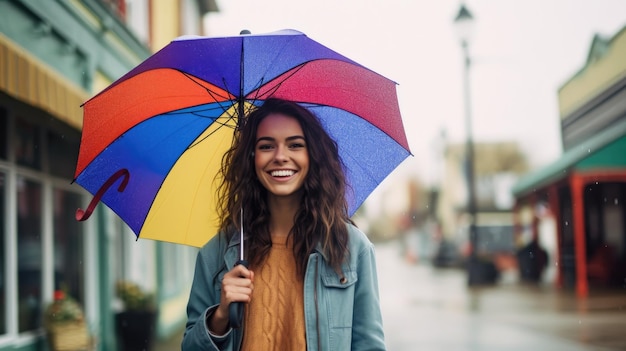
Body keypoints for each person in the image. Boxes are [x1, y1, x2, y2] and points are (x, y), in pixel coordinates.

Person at [181, 98, 386, 350]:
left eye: (295, 145)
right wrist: (220, 316)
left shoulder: (352, 249)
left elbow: (369, 346)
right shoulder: (217, 253)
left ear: (312, 156)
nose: (280, 156)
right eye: (266, 146)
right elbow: (190, 346)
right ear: (251, 157)